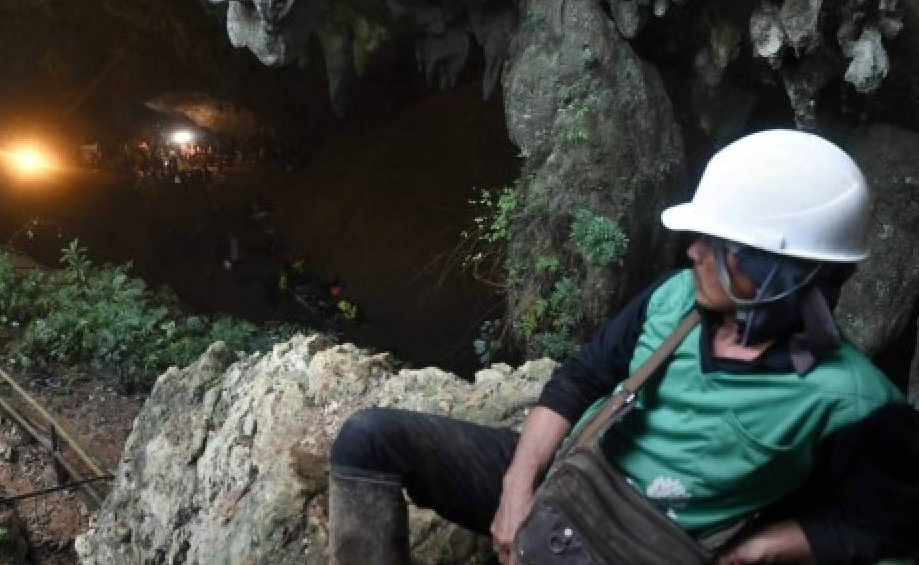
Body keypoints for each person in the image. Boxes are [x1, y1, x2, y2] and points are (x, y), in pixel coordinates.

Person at [327, 130, 919, 564]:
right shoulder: (674, 299)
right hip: (575, 479)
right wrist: (515, 489)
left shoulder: (855, 402)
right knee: (369, 439)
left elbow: (884, 526)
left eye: (716, 245)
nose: (692, 253)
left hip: (646, 546)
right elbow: (581, 378)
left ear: (777, 274)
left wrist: (763, 549)